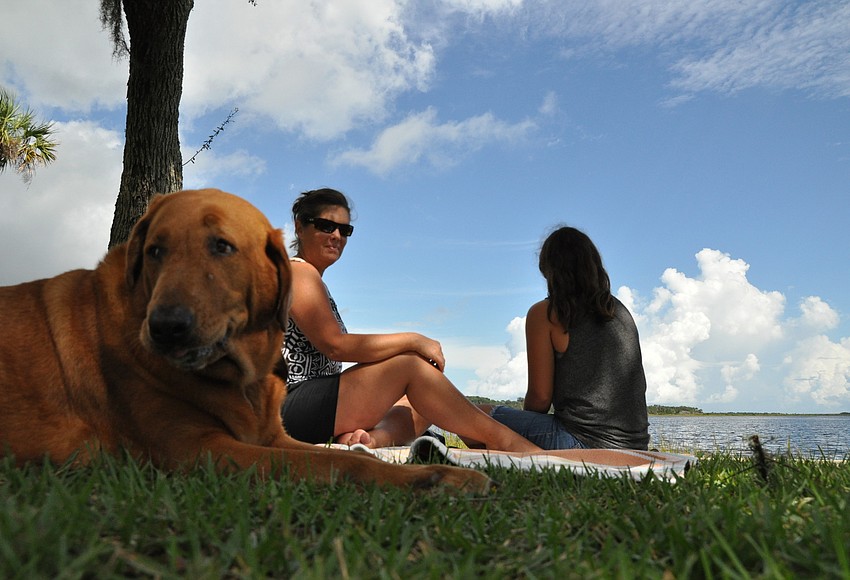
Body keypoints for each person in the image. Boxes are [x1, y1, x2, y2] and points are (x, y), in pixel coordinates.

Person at [280, 187, 540, 453]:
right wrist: (413, 341)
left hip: (310, 403)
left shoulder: (311, 279)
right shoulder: (299, 273)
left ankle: (369, 440)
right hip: (289, 404)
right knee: (410, 367)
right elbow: (335, 345)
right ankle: (503, 440)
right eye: (326, 226)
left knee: (422, 398)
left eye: (344, 230)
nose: (336, 236)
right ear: (300, 227)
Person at [484, 226, 649, 450]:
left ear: (550, 271)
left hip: (583, 442)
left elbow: (540, 400)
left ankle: (521, 456)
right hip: (635, 446)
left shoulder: (546, 313)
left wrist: (522, 428)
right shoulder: (619, 311)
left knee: (478, 414)